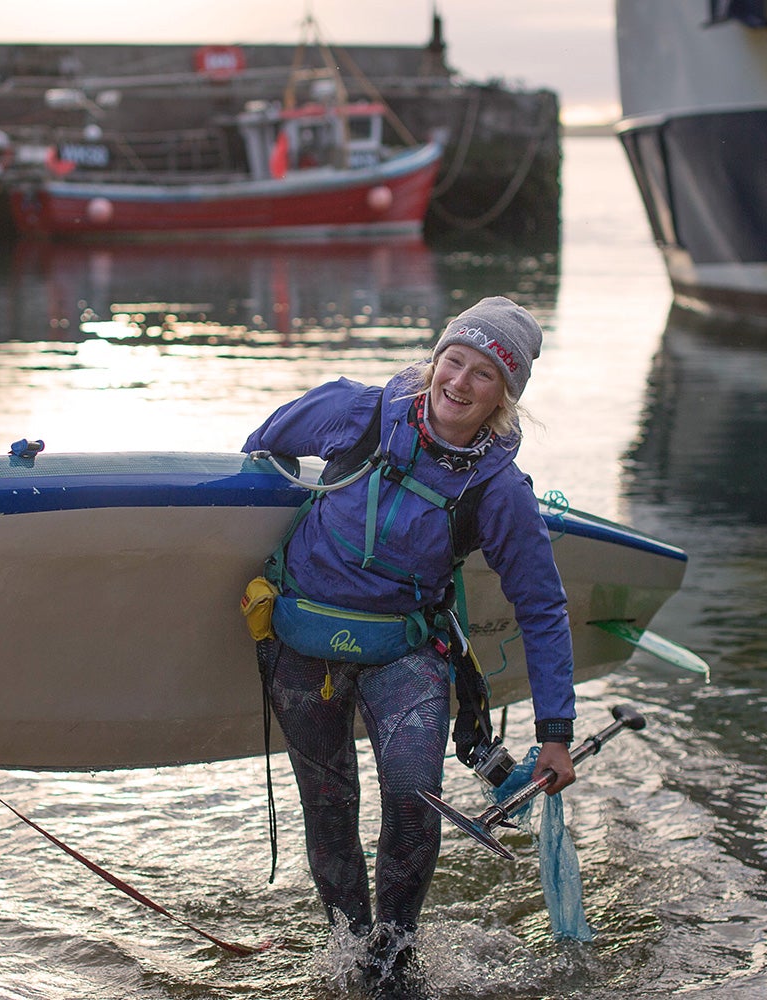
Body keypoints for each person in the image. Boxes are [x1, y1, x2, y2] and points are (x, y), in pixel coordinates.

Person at [243, 296, 578, 998]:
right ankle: (346, 953)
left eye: (483, 374)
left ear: (503, 397)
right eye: (452, 361)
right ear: (435, 361)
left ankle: (391, 961)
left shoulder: (499, 492)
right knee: (328, 803)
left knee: (414, 794)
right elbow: (266, 443)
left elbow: (542, 607)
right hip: (301, 640)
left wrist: (555, 732)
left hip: (405, 650)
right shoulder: (358, 412)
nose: (459, 382)